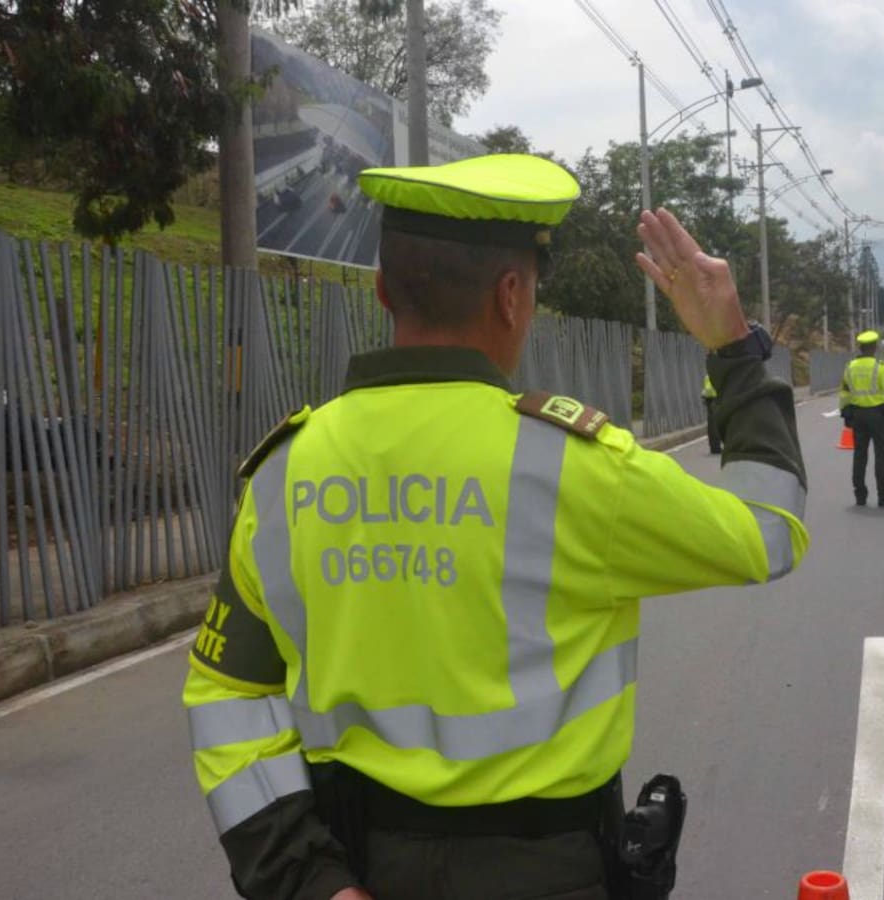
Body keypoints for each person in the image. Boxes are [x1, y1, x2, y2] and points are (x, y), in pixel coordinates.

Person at [182, 153, 810, 900]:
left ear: (383, 289)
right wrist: (735, 350)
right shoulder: (576, 466)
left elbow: (228, 699)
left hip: (353, 868)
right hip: (550, 874)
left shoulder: (285, 471)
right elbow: (768, 531)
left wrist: (305, 881)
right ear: (511, 296)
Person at [839, 330, 884, 507]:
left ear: (860, 347)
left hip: (858, 416)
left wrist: (845, 414)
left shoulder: (849, 367)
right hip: (878, 417)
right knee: (881, 456)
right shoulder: (879, 367)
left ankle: (860, 496)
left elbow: (844, 393)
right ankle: (883, 497)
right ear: (874, 347)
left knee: (859, 456)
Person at [701, 373, 721, 453]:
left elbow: (707, 390)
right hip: (717, 399)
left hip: (710, 400)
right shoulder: (722, 372)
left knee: (712, 425)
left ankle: (714, 447)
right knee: (715, 425)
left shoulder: (708, 375)